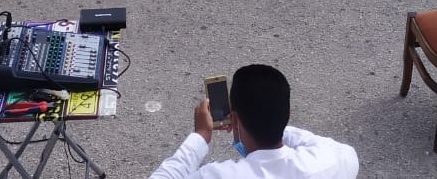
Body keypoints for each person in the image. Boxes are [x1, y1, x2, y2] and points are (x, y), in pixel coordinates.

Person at [147, 64, 358, 179]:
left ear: (234, 118)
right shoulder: (337, 160)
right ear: (288, 114)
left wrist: (200, 137)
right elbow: (333, 150)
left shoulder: (218, 175)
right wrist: (259, 121)